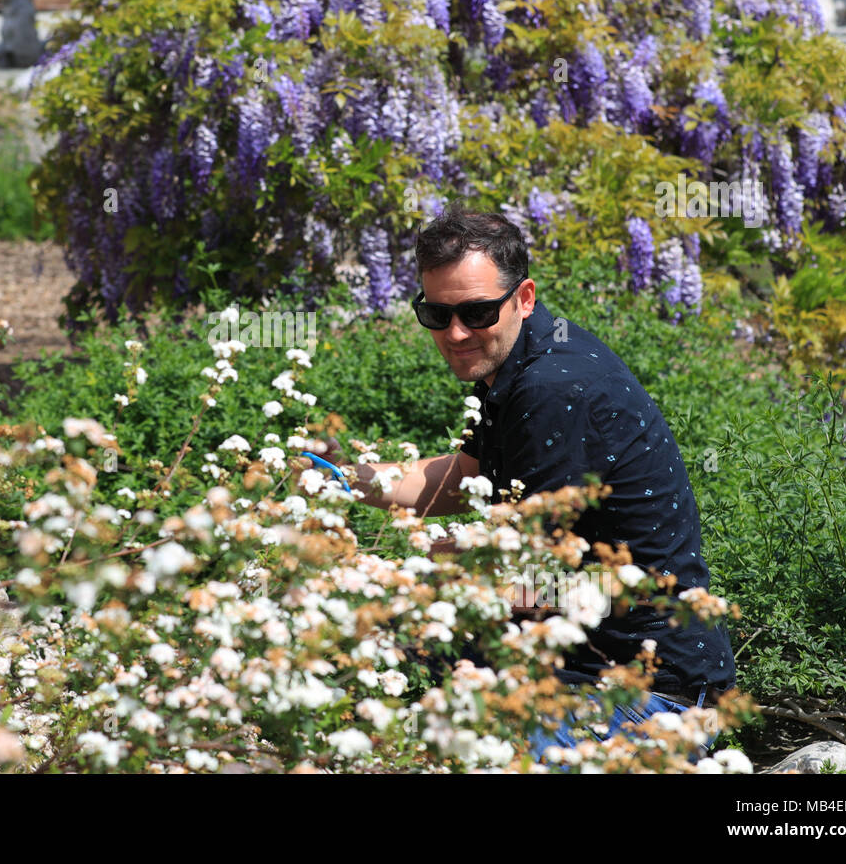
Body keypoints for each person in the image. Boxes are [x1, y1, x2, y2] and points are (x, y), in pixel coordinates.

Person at [300, 209, 735, 763]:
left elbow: (530, 578)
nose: (455, 333)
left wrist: (387, 573)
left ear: (523, 297)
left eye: (476, 312)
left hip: (647, 691)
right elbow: (467, 476)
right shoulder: (518, 355)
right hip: (575, 656)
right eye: (436, 313)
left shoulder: (553, 388)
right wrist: (340, 482)